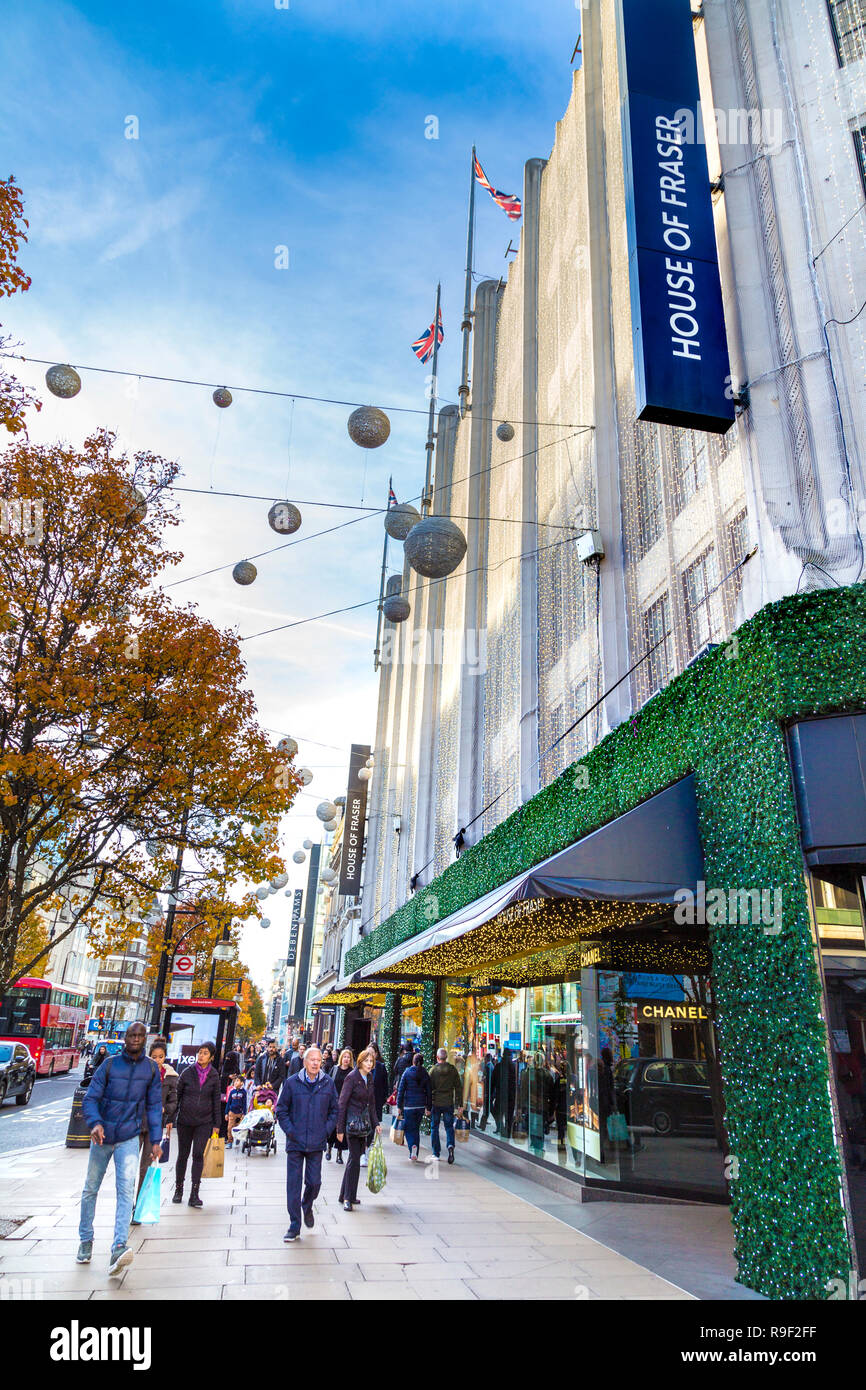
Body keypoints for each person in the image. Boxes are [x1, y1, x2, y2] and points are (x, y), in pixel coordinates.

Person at [77, 1021, 162, 1275]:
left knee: (125, 1191)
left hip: (129, 1137)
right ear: (125, 1038)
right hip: (102, 1137)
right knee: (91, 1188)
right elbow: (91, 1097)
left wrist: (155, 1140)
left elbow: (154, 1106)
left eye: (140, 1035)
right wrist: (95, 1123)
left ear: (145, 1039)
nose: (136, 1039)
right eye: (132, 1035)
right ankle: (85, 1240)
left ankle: (118, 1245)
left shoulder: (150, 1069)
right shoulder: (110, 1064)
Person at [275, 1045, 337, 1241]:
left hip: (316, 1142)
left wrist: (326, 1130)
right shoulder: (292, 1083)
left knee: (314, 1182)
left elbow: (334, 1110)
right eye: (312, 1060)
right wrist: (290, 1131)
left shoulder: (327, 1083)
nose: (316, 1063)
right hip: (295, 1142)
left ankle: (307, 1205)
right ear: (305, 1062)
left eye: (319, 1060)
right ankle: (294, 1224)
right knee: (293, 1184)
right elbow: (281, 1110)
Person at [173, 1042, 221, 1208]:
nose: (201, 1056)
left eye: (205, 1053)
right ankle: (178, 1189)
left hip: (204, 1122)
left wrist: (217, 1124)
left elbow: (216, 1100)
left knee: (198, 1155)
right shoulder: (187, 1073)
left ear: (212, 1057)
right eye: (200, 1052)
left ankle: (194, 1192)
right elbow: (177, 1096)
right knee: (183, 1155)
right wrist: (170, 1119)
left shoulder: (214, 1075)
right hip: (185, 1121)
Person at [133, 1036, 179, 1211]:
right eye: (154, 1056)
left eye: (161, 1056)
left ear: (165, 1057)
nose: (158, 1060)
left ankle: (139, 1206)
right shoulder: (140, 1072)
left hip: (154, 1127)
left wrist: (165, 1110)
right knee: (129, 1167)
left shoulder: (170, 1077)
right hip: (136, 1124)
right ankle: (126, 1204)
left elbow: (174, 1101)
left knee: (146, 1167)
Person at [336, 1046, 381, 1211]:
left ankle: (345, 1194)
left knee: (353, 1160)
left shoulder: (369, 1078)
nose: (369, 1064)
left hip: (364, 1125)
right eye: (367, 1061)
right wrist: (339, 1129)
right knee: (354, 1160)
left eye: (372, 1061)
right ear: (360, 1062)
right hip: (352, 1124)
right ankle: (348, 1197)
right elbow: (342, 1103)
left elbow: (372, 1103)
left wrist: (376, 1123)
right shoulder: (352, 1077)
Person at [429, 1047, 463, 1164]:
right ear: (446, 1058)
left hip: (436, 1102)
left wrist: (427, 1105)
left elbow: (429, 1088)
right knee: (449, 1127)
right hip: (448, 1102)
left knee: (434, 1127)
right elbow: (458, 1087)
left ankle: (436, 1153)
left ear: (438, 1058)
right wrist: (460, 1104)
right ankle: (450, 1145)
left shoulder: (433, 1070)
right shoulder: (452, 1070)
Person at [396, 1051, 432, 1161]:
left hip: (409, 1105)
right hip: (420, 1105)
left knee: (408, 1129)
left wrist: (399, 1105)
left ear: (413, 1061)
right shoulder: (425, 1073)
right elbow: (429, 1091)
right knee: (416, 1128)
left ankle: (412, 1147)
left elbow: (401, 1089)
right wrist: (428, 1107)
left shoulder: (407, 1073)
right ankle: (415, 1149)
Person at [328, 1048, 354, 1162]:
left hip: (346, 1105)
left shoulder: (352, 1072)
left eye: (348, 1057)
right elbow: (328, 1084)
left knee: (342, 1128)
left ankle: (339, 1154)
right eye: (344, 1057)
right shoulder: (334, 1069)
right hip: (333, 1102)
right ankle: (329, 1149)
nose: (346, 1059)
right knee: (332, 1127)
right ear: (341, 1058)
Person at [491, 1047, 516, 1139]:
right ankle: (507, 1133)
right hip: (510, 1097)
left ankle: (502, 1130)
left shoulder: (498, 1067)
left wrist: (491, 1095)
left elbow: (492, 1083)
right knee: (509, 1117)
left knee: (498, 1114)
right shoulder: (513, 1067)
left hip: (500, 1096)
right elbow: (514, 1084)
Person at [225, 1074, 248, 1146]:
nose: (235, 1082)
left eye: (237, 1081)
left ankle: (238, 1137)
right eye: (235, 1081)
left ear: (242, 1083)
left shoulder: (243, 1092)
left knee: (239, 1127)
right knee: (230, 1127)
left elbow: (244, 1103)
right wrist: (226, 1113)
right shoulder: (232, 1092)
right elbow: (229, 1102)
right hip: (232, 1112)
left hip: (240, 1112)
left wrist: (244, 1113)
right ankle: (230, 1141)